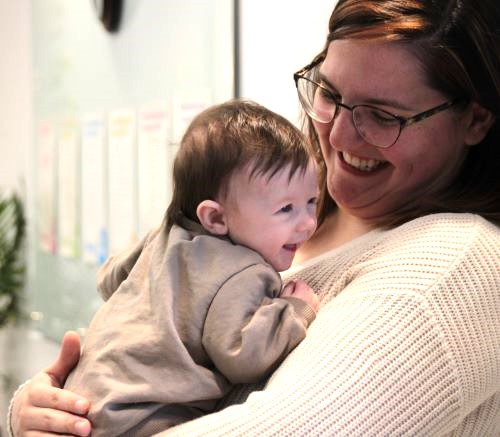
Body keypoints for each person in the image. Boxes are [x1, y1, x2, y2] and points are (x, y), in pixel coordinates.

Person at [9, 0, 500, 435]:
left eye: (384, 115)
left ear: (476, 119)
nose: (340, 136)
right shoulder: (271, 210)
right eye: (329, 94)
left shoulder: (454, 268)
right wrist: (42, 410)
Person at [41, 100, 321, 436]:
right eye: (286, 209)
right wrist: (295, 309)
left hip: (83, 400)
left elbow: (110, 280)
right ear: (216, 218)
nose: (307, 223)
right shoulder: (247, 271)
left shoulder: (163, 238)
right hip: (143, 418)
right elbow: (244, 353)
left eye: (312, 202)